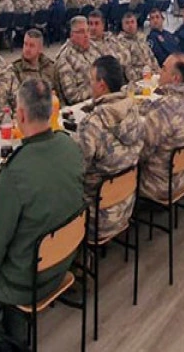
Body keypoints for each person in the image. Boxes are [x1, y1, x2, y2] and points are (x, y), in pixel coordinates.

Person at [0, 79, 85, 349]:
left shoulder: (16, 171)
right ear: (52, 111)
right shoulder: (70, 146)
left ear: (21, 115)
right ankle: (16, 329)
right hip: (63, 263)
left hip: (28, 281)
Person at [77, 56, 144, 242]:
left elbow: (76, 171)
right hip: (126, 206)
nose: (89, 85)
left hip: (97, 218)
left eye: (91, 80)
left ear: (102, 85)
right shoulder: (133, 110)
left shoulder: (92, 125)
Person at [137, 56, 184, 201]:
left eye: (164, 69)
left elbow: (141, 151)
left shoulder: (164, 109)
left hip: (158, 184)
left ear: (175, 78)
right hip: (181, 177)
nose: (159, 72)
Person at [54, 16, 100, 105]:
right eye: (81, 32)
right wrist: (98, 88)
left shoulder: (93, 46)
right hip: (85, 105)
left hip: (103, 96)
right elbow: (73, 97)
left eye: (88, 30)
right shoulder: (65, 58)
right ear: (72, 35)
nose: (86, 35)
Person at [10, 29, 60, 94]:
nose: (27, 49)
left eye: (32, 46)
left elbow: (59, 93)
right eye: (25, 44)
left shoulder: (50, 66)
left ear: (40, 49)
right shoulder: (15, 70)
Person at [113, 11, 159, 82]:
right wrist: (147, 76)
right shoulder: (120, 42)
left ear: (136, 23)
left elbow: (151, 56)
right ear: (122, 26)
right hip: (137, 79)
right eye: (127, 23)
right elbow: (127, 67)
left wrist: (158, 71)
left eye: (132, 22)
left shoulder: (141, 38)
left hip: (152, 75)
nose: (130, 25)